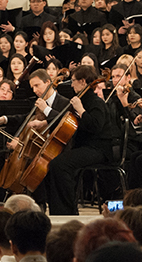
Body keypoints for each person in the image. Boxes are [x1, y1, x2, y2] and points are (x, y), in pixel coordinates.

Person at [45, 64, 116, 215]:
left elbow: (95, 126)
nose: (71, 84)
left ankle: (67, 211)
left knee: (59, 164)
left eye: (74, 80)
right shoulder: (81, 99)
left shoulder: (96, 102)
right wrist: (44, 122)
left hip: (98, 149)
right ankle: (62, 209)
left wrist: (81, 110)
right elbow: (66, 120)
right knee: (55, 163)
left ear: (83, 82)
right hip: (84, 147)